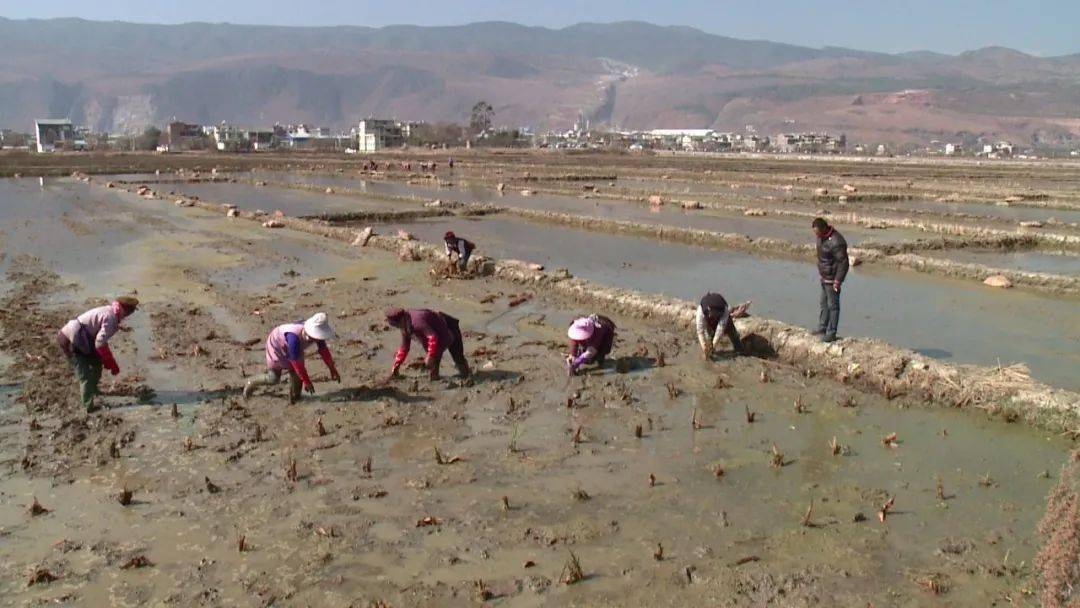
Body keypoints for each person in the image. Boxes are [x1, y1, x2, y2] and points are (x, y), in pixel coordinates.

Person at [56, 296, 139, 412]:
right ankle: (88, 406)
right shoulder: (111, 318)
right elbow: (100, 343)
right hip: (72, 341)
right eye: (131, 311)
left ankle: (93, 390)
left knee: (96, 364)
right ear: (126, 310)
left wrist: (105, 360)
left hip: (83, 339)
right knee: (85, 376)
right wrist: (111, 363)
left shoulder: (111, 310)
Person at [243, 313, 339, 403]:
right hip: (276, 344)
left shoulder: (317, 337)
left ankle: (295, 398)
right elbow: (296, 363)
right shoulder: (294, 338)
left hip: (294, 347)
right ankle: (250, 383)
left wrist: (332, 369)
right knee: (273, 378)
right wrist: (307, 381)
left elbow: (324, 351)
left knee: (297, 377)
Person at [385, 308, 470, 381]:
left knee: (458, 359)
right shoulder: (405, 326)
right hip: (435, 335)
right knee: (433, 370)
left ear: (402, 319)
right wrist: (396, 366)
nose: (398, 327)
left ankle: (468, 376)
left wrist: (430, 355)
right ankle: (435, 379)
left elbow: (433, 337)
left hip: (448, 330)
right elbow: (404, 348)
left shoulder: (417, 322)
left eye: (397, 325)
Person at [812, 217, 849, 343]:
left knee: (833, 306)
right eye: (815, 233)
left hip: (833, 279)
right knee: (823, 304)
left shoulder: (837, 241)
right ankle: (822, 328)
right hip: (824, 277)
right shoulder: (820, 238)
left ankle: (831, 332)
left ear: (824, 228)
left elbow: (843, 263)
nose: (816, 235)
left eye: (817, 233)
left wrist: (838, 280)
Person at [696, 293, 751, 358]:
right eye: (713, 315)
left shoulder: (725, 311)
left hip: (724, 320)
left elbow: (720, 330)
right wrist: (704, 347)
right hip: (709, 321)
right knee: (709, 336)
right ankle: (710, 351)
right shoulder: (701, 311)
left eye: (716, 315)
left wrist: (713, 345)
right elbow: (700, 331)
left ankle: (739, 350)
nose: (714, 316)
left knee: (732, 332)